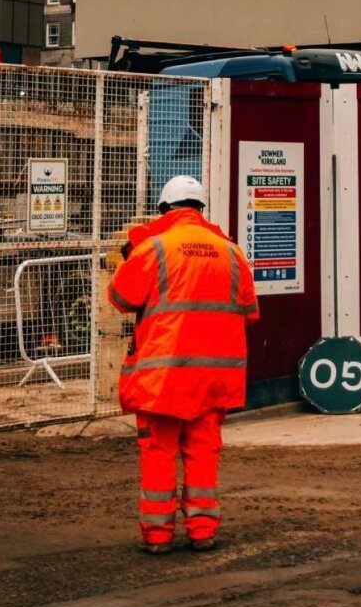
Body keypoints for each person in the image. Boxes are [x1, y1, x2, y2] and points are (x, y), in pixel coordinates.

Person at [108, 174, 259, 554]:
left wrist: (130, 255)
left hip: (165, 375)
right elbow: (249, 311)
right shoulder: (232, 252)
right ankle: (202, 532)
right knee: (203, 454)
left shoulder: (154, 247)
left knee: (159, 454)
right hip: (215, 377)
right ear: (201, 209)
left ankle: (158, 537)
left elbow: (121, 298)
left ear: (164, 208)